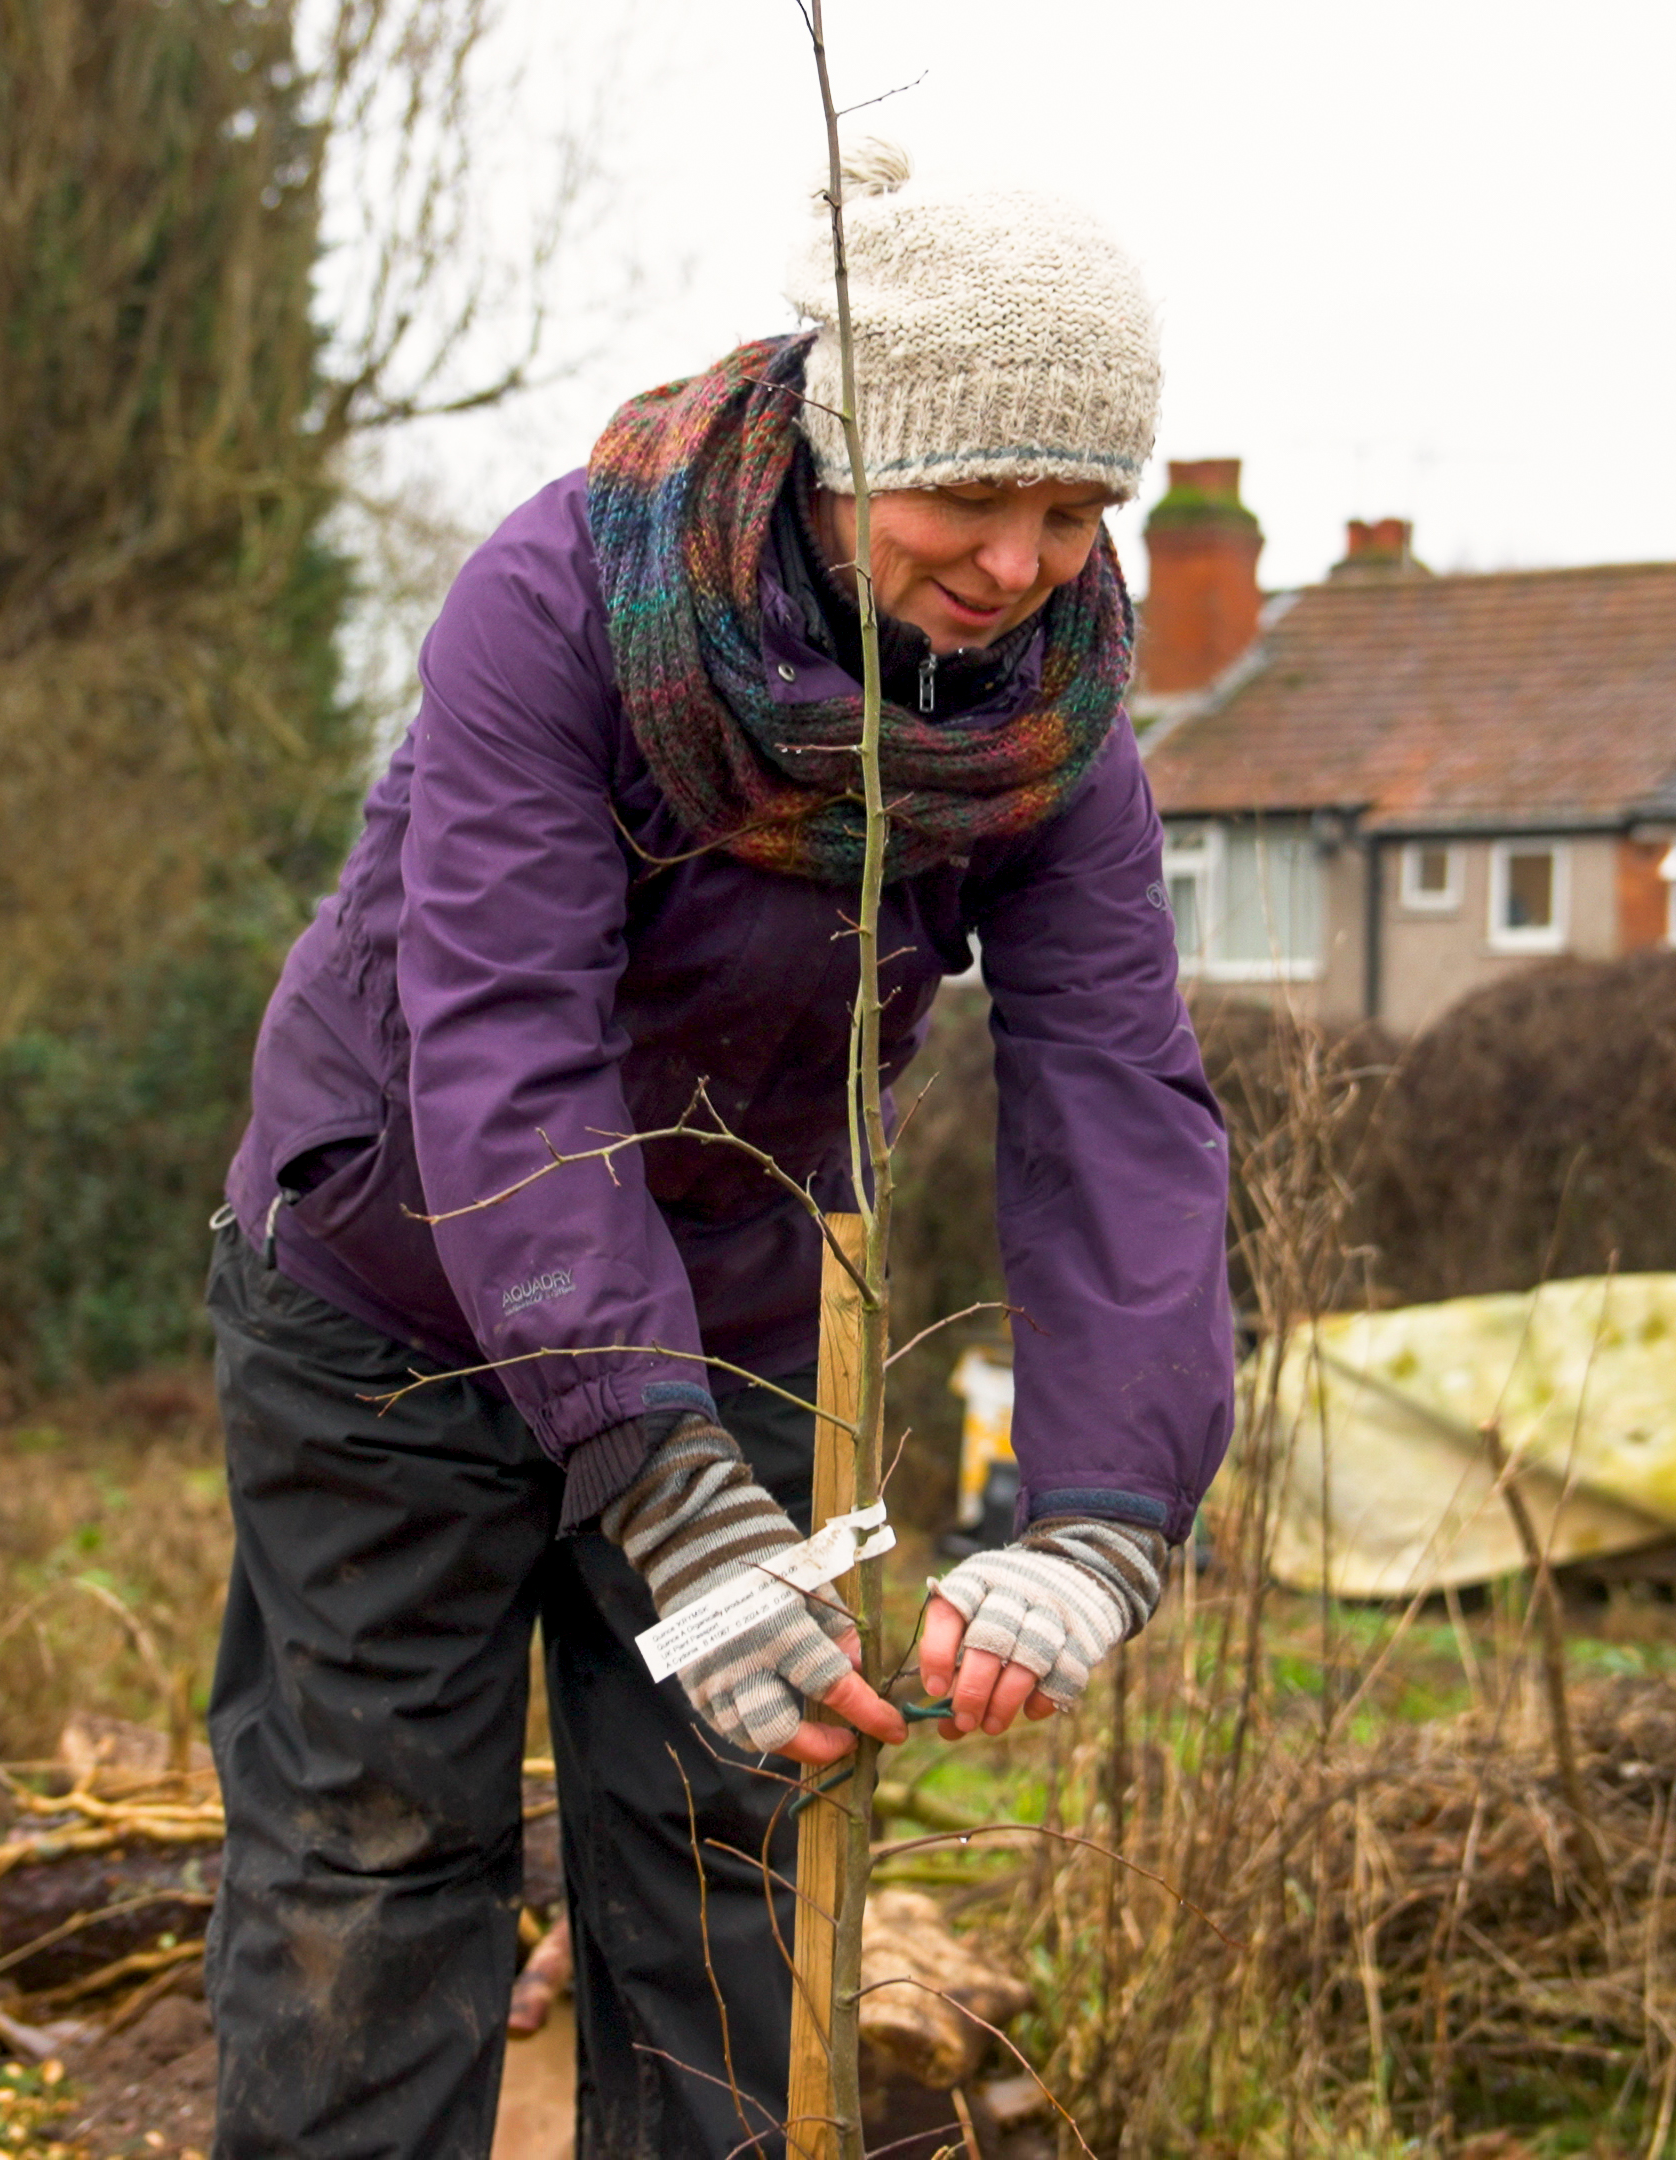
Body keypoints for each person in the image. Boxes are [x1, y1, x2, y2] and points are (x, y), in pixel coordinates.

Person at [200, 143, 1235, 2159]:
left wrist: (1110, 1503)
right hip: (395, 1283)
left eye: (1074, 510)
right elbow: (500, 1034)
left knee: (718, 1859)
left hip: (748, 1294)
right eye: (973, 498)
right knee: (378, 1848)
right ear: (853, 449)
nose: (1025, 564)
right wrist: (657, 1480)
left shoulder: (1058, 716)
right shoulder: (561, 600)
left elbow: (1115, 1086)